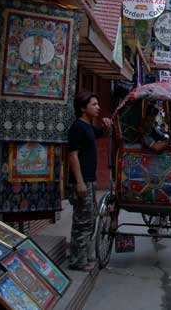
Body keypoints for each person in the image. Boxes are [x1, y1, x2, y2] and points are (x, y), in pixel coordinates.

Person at [67, 91, 112, 272]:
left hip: (89, 180)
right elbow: (72, 155)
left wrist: (107, 126)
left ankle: (83, 256)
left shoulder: (88, 127)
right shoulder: (77, 128)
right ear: (83, 108)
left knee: (90, 218)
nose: (98, 107)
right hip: (82, 180)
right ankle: (77, 261)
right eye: (94, 104)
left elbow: (104, 135)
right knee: (83, 221)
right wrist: (79, 182)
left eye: (97, 104)